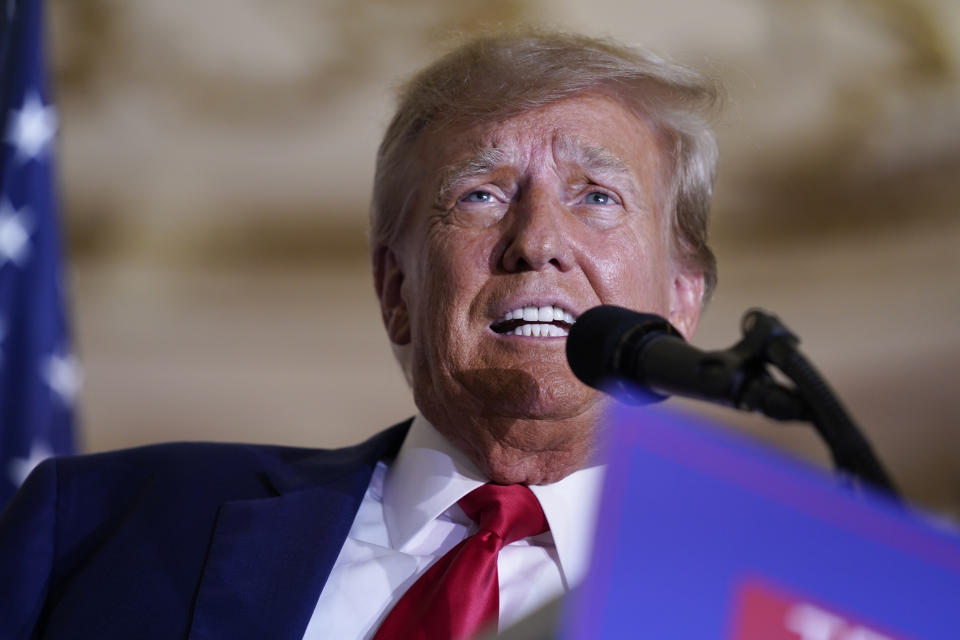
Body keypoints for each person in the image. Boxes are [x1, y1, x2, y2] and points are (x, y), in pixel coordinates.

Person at [0, 29, 720, 640]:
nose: (535, 241)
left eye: (597, 196)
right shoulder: (101, 525)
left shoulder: (773, 595)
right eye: (482, 195)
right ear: (396, 289)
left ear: (681, 303)